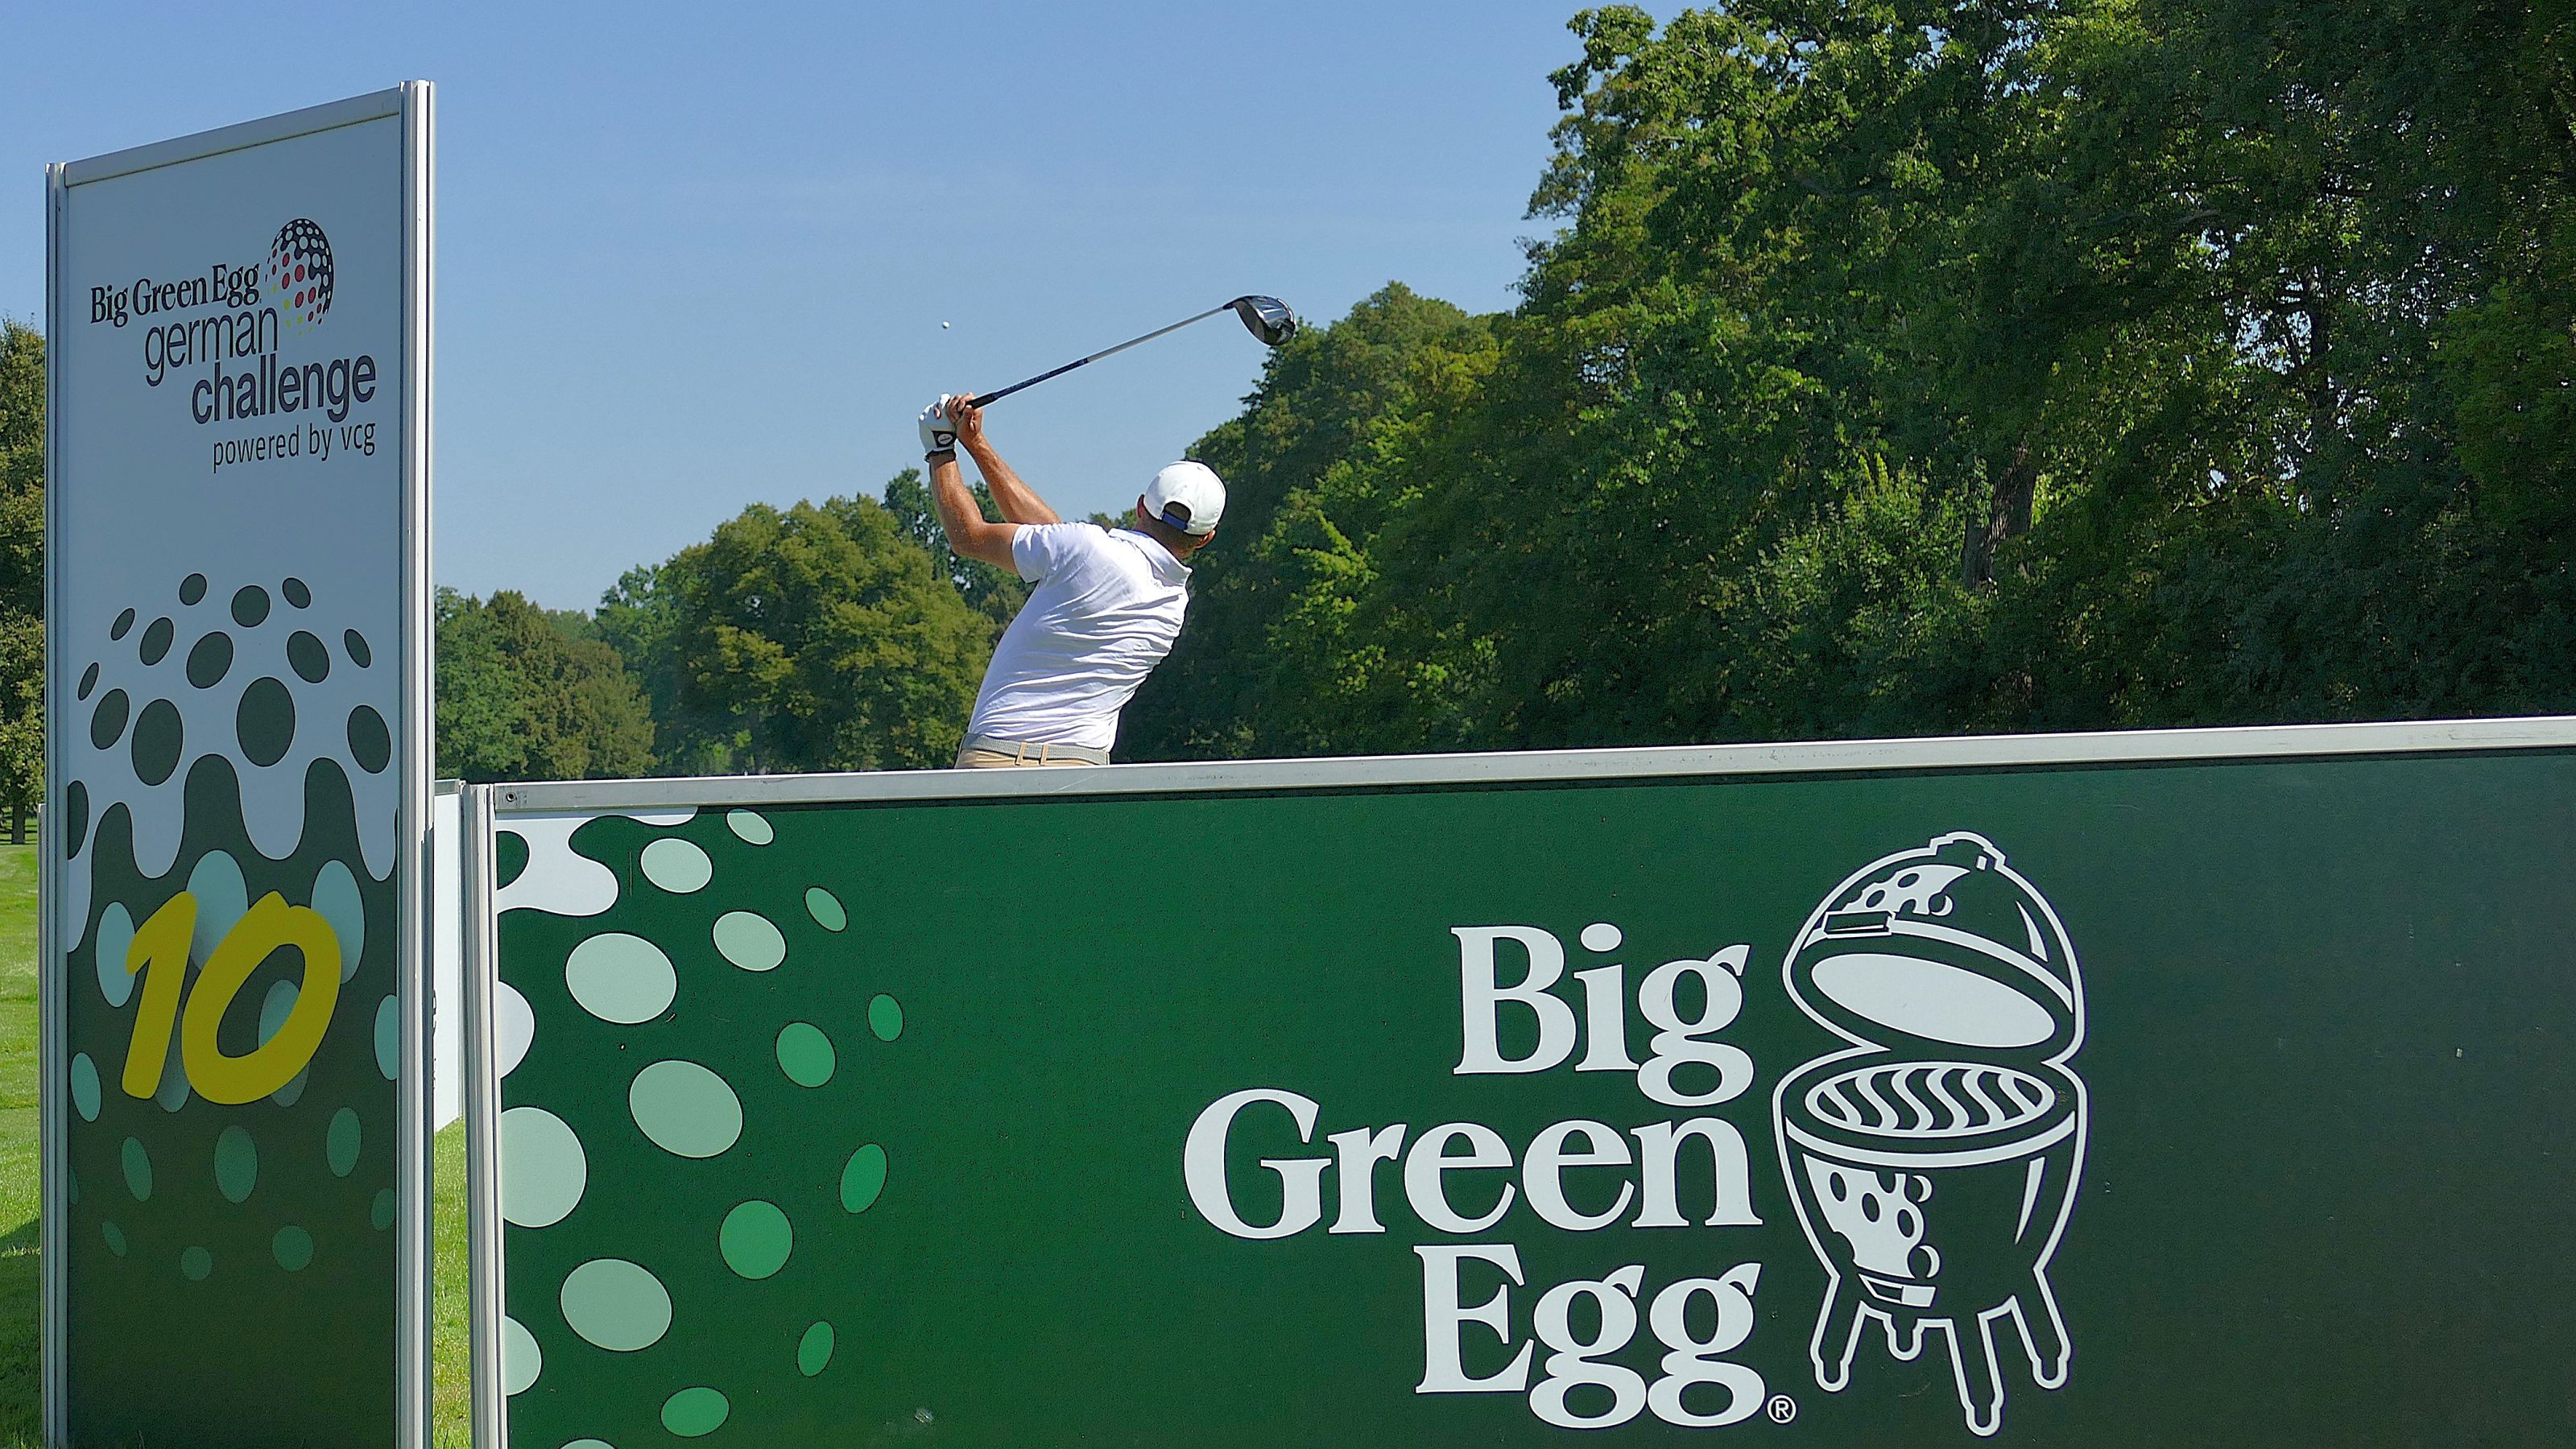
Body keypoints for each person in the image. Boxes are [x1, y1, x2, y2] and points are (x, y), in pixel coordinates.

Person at [918, 394, 1224, 767]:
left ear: (1141, 506)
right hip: (1081, 773)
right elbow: (1053, 536)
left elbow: (967, 537)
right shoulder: (1173, 609)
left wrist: (941, 448)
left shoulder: (1086, 549)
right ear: (1205, 538)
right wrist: (977, 444)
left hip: (995, 757)